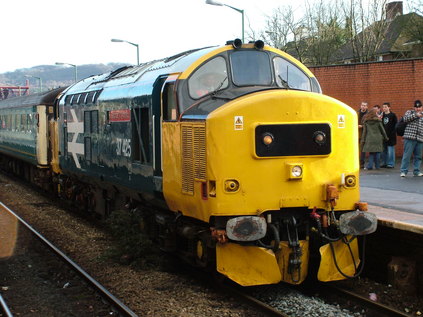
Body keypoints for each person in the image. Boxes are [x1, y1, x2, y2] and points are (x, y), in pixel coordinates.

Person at [399, 100, 423, 177]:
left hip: (420, 138)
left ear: (422, 107)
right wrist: (416, 115)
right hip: (409, 137)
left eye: (419, 107)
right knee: (407, 155)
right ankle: (403, 171)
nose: (418, 108)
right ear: (414, 107)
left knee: (418, 156)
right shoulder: (409, 112)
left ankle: (416, 171)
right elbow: (405, 119)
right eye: (416, 107)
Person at [380, 102, 397, 168]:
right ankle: (385, 162)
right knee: (384, 150)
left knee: (390, 151)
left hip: (391, 136)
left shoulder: (392, 115)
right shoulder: (382, 115)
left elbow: (395, 125)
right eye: (383, 107)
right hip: (383, 136)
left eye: (385, 107)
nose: (384, 108)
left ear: (389, 107)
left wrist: (392, 134)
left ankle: (391, 163)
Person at [358, 102, 368, 168]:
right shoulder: (357, 113)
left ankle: (361, 164)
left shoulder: (368, 114)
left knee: (362, 150)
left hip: (363, 134)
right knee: (356, 149)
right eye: (362, 105)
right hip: (356, 134)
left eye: (364, 106)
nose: (363, 107)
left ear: (366, 107)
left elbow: (369, 124)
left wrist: (362, 126)